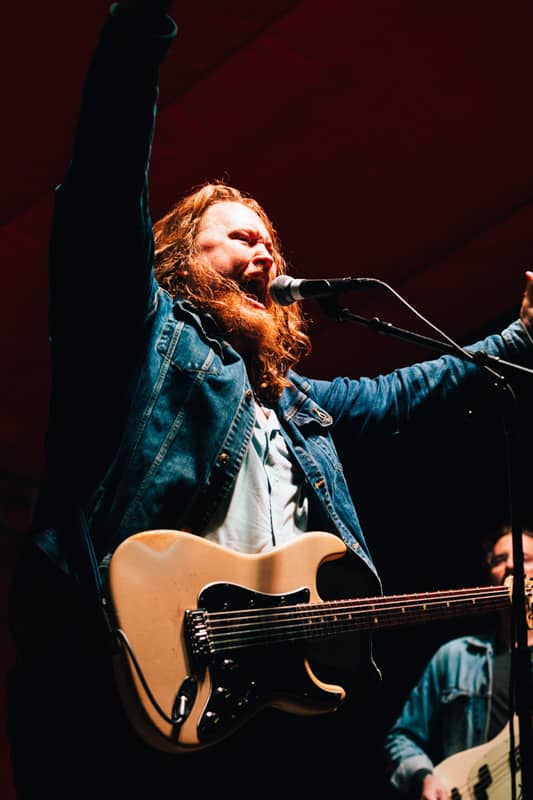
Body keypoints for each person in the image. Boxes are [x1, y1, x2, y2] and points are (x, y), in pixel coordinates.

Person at [6, 1, 533, 797]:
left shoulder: (294, 403)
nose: (266, 253)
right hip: (118, 668)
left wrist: (521, 337)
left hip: (251, 700)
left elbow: (406, 392)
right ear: (178, 256)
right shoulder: (141, 338)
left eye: (271, 242)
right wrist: (140, 31)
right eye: (240, 236)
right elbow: (103, 191)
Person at [384, 524, 533, 800]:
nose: (512, 566)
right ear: (488, 581)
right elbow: (403, 737)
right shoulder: (454, 657)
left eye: (524, 558)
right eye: (499, 560)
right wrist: (425, 777)